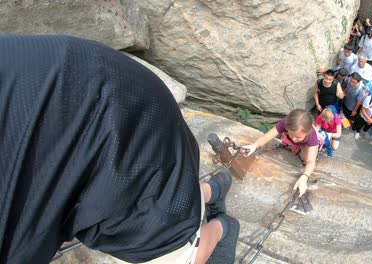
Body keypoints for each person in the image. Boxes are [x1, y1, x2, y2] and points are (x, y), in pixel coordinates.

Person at [0, 35, 238, 264]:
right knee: (143, 200)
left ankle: (221, 229)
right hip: (84, 75)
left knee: (158, 240)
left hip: (113, 114)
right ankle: (209, 190)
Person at [242, 109, 319, 197]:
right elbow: (268, 135)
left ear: (307, 132)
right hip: (299, 142)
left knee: (305, 158)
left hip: (306, 144)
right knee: (295, 144)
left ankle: (302, 147)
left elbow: (311, 161)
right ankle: (296, 145)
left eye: (298, 137)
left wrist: (304, 177)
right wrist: (254, 145)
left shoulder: (312, 135)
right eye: (291, 134)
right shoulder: (285, 123)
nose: (294, 139)